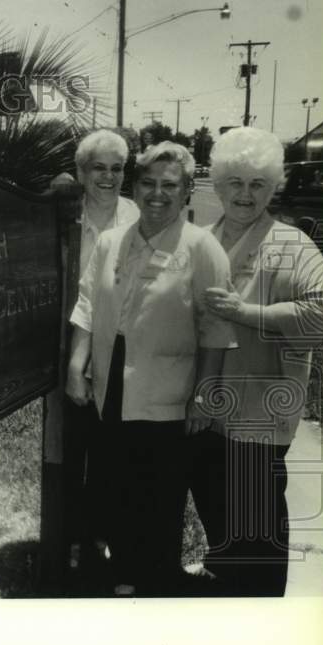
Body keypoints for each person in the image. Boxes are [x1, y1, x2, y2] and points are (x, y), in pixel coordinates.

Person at [66, 141, 237, 596]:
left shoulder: (203, 249)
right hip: (111, 380)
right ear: (135, 187)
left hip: (167, 390)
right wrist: (76, 363)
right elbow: (87, 303)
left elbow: (215, 329)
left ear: (186, 193)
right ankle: (123, 573)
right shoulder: (110, 241)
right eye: (148, 183)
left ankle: (156, 581)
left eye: (169, 185)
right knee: (114, 481)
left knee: (158, 492)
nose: (157, 194)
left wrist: (204, 394)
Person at [192, 126, 323, 596]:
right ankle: (222, 589)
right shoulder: (200, 240)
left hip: (258, 418)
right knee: (218, 519)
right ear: (218, 184)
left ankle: (262, 617)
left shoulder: (292, 244)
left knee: (256, 535)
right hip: (205, 415)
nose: (245, 194)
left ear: (273, 188)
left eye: (257, 184)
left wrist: (246, 313)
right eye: (235, 182)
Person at [62, 130, 140, 586]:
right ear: (81, 172)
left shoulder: (136, 217)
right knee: (72, 449)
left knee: (111, 451)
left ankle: (102, 535)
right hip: (70, 341)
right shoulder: (65, 213)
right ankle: (72, 537)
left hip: (119, 348)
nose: (108, 177)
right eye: (98, 168)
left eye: (116, 168)